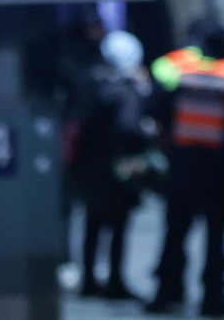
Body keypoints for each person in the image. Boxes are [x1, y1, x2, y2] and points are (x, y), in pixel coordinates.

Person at [145, 18, 224, 317]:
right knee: (216, 238)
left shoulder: (175, 69)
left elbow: (152, 106)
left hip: (182, 168)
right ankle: (213, 297)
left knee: (175, 233)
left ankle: (167, 290)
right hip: (222, 170)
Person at [74, 30, 152, 299]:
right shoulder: (126, 91)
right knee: (119, 227)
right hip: (120, 170)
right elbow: (131, 129)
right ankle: (115, 280)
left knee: (92, 225)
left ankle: (88, 279)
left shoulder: (90, 83)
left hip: (91, 168)